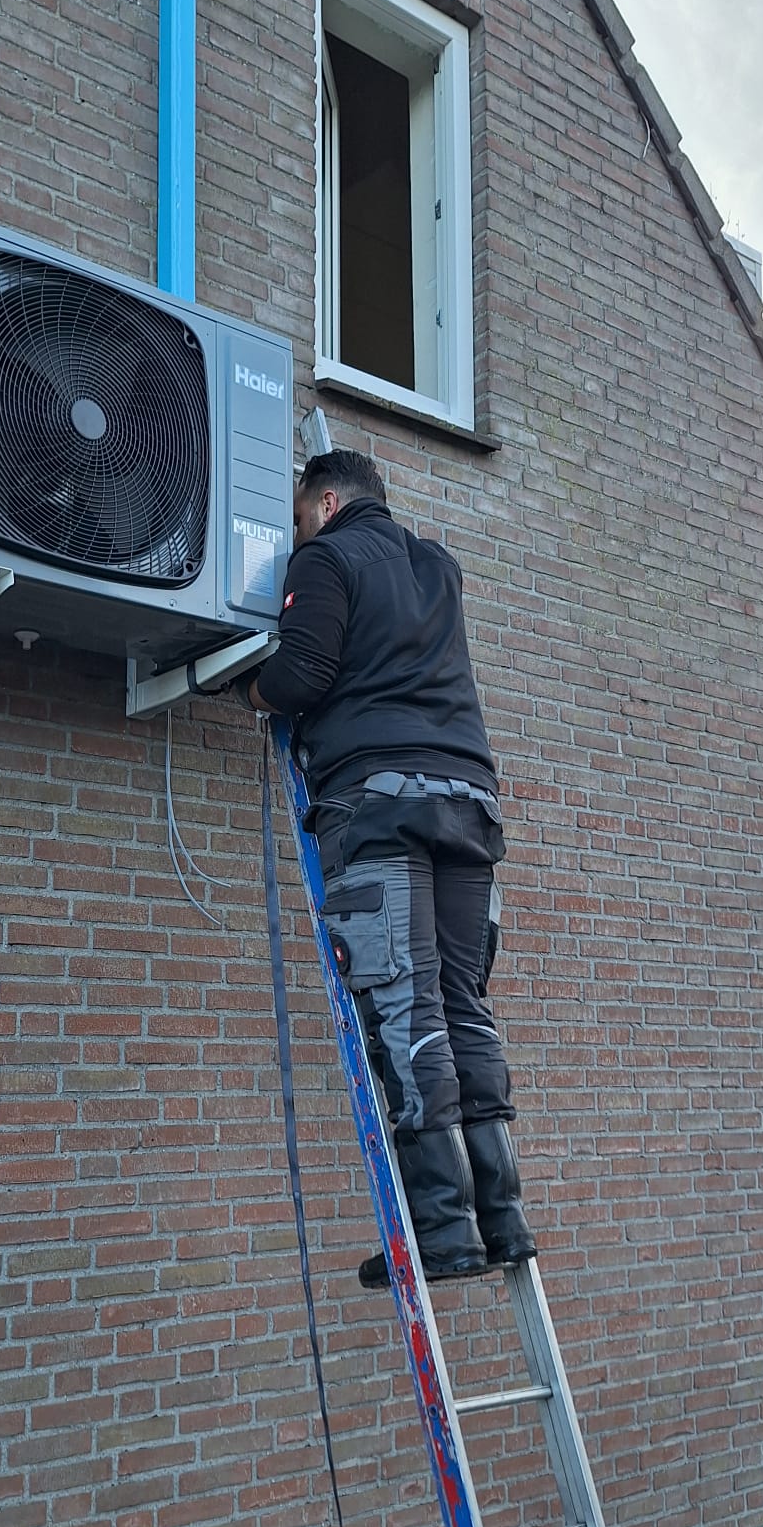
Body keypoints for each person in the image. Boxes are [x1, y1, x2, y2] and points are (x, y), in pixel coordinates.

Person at [243, 449, 537, 1288]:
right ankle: (503, 1219)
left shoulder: (326, 557)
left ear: (327, 502)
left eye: (301, 515)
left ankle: (442, 1233)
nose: (299, 531)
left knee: (406, 1011)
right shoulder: (436, 564)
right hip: (469, 805)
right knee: (463, 1005)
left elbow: (301, 676)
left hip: (379, 805)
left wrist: (246, 688)